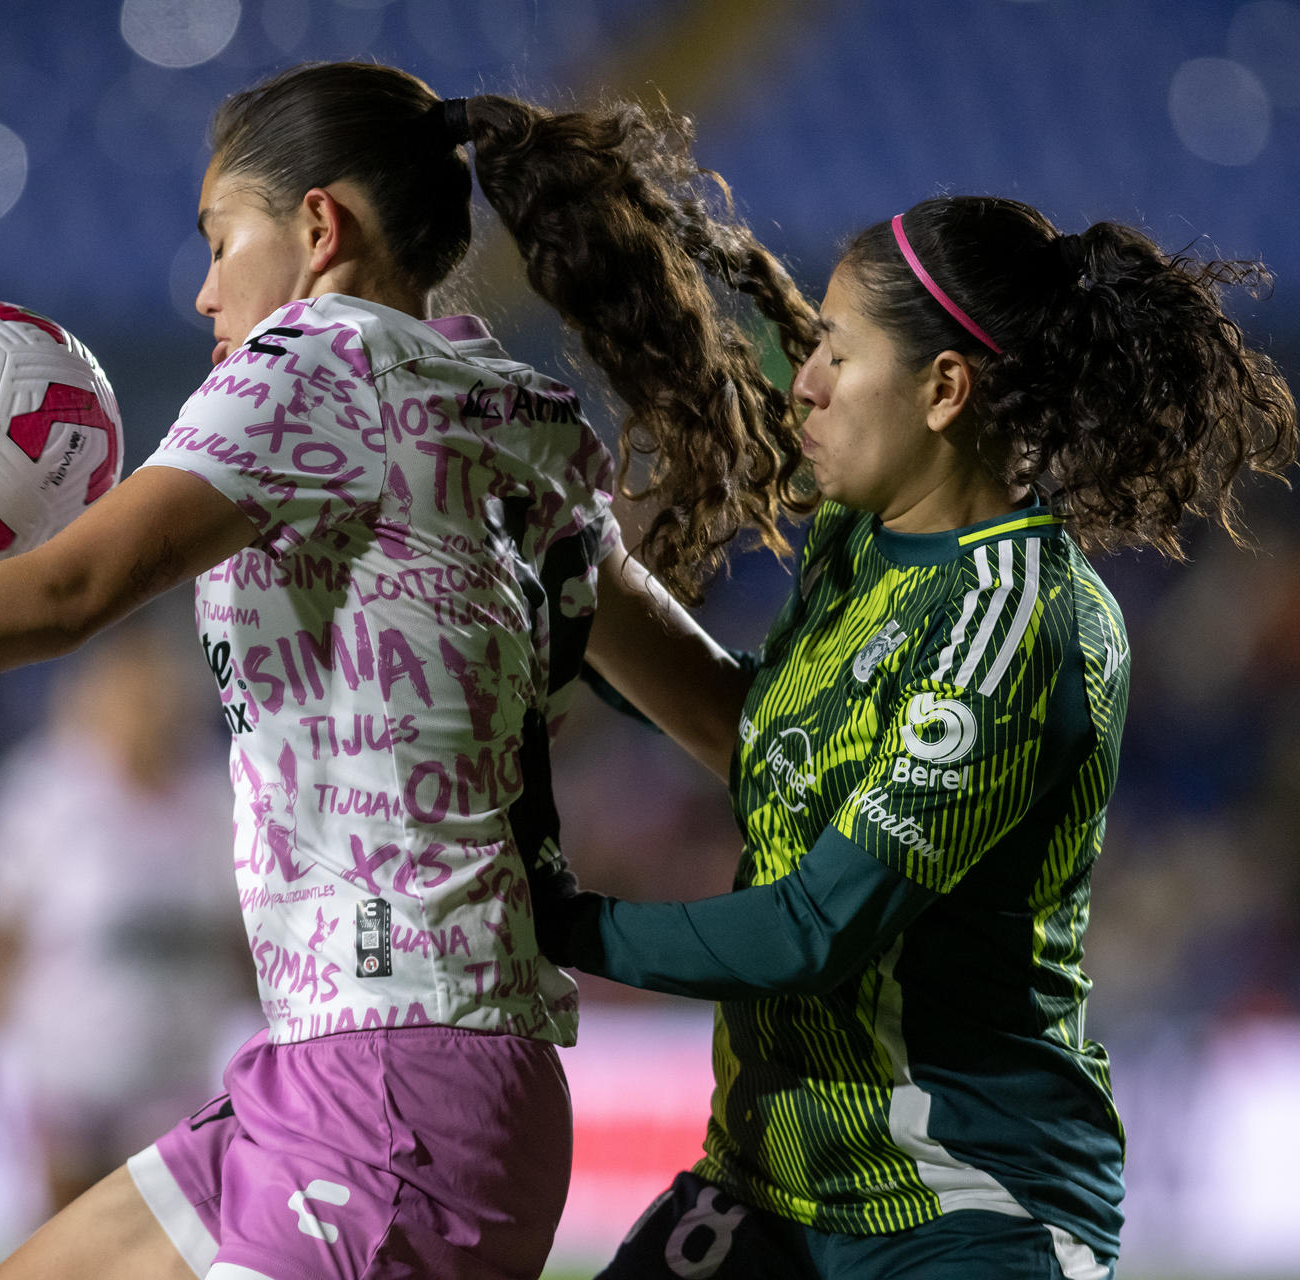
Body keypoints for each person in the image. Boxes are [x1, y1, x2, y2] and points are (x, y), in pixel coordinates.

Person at [0, 61, 819, 1280]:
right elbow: (726, 719)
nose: (203, 292)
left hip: (390, 1105)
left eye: (216, 239)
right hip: (378, 1077)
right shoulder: (514, 420)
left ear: (318, 230)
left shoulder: (313, 363)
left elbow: (76, 586)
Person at [536, 195, 1298, 1280]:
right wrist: (574, 574)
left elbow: (813, 932)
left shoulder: (1024, 621)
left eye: (837, 352)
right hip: (771, 1181)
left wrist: (545, 920)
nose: (804, 379)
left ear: (945, 388)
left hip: (958, 1211)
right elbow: (762, 738)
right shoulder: (858, 540)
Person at [0, 621, 250, 1222]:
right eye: (136, 696)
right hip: (67, 1069)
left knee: (159, 1239)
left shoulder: (218, 797)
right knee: (62, 1236)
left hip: (175, 1068)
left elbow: (243, 939)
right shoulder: (46, 795)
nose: (152, 711)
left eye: (162, 696)